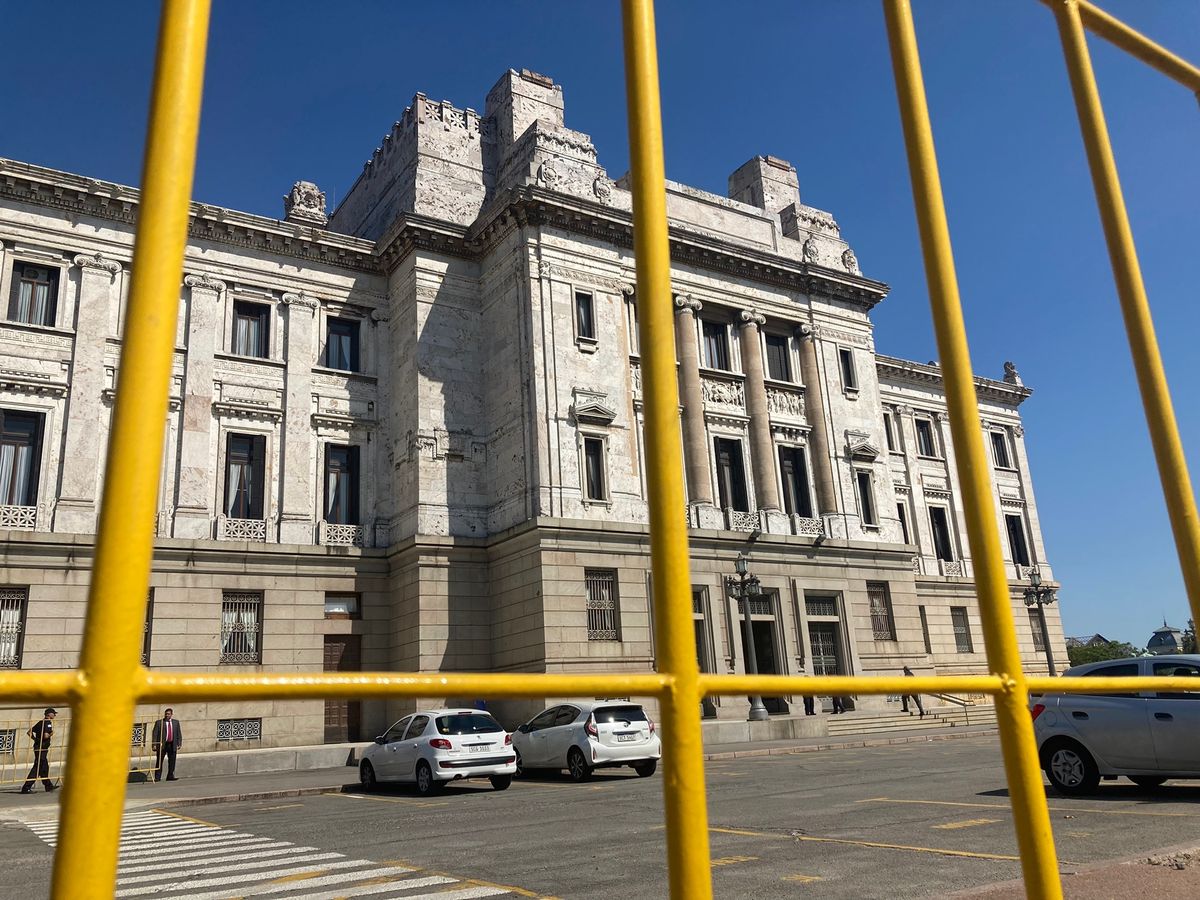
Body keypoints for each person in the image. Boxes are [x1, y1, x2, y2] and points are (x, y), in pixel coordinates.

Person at [21, 708, 58, 794]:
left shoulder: (40, 722)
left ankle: (48, 786)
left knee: (44, 767)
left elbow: (29, 732)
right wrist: (51, 733)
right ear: (49, 714)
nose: (55, 715)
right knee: (37, 767)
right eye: (54, 714)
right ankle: (26, 788)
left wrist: (35, 739)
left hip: (38, 747)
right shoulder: (47, 723)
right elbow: (46, 736)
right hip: (42, 748)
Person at [152, 708, 183, 781]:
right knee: (159, 761)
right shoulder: (159, 722)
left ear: (171, 714)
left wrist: (179, 743)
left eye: (168, 714)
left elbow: (178, 733)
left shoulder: (176, 722)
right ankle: (157, 777)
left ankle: (170, 776)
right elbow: (155, 734)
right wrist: (154, 744)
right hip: (162, 744)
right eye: (166, 714)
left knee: (172, 761)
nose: (167, 715)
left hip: (172, 744)